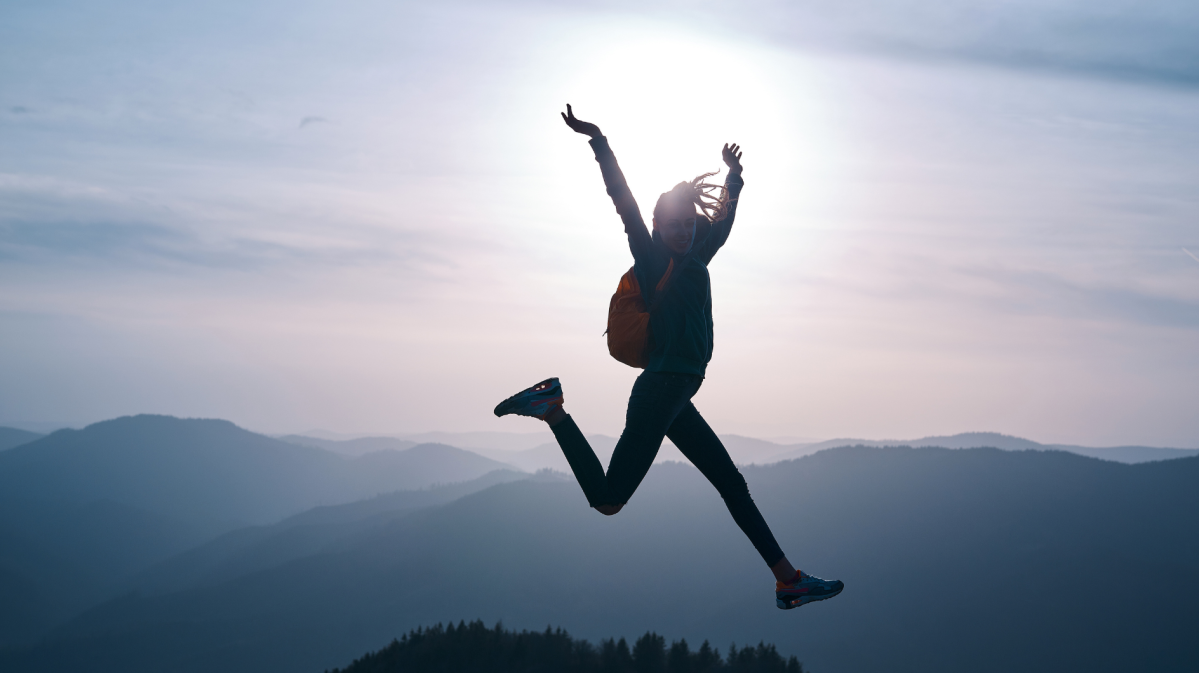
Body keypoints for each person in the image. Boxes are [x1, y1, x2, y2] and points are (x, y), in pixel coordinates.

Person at [494, 105, 843, 610]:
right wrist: (599, 141)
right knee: (608, 500)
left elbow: (724, 220)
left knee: (732, 484)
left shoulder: (698, 257)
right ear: (657, 228)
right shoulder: (654, 257)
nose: (682, 231)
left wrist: (735, 178)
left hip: (678, 396)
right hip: (660, 392)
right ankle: (554, 410)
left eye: (686, 224)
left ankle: (787, 581)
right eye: (672, 225)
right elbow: (625, 203)